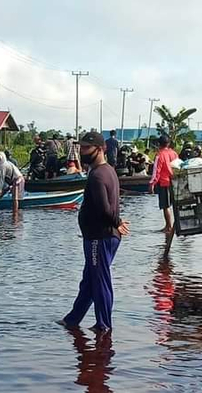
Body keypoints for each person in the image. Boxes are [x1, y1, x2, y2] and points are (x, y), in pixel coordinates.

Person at [58, 132, 130, 332]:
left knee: (100, 282)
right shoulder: (107, 171)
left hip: (101, 237)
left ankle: (104, 326)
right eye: (80, 148)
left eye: (86, 149)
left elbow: (105, 208)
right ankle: (73, 319)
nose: (82, 152)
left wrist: (117, 222)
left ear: (100, 149)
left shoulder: (98, 175)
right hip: (98, 235)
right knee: (89, 280)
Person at [149, 135, 179, 233]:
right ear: (168, 143)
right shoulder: (174, 153)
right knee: (173, 204)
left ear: (159, 144)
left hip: (164, 182)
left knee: (165, 206)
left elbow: (156, 171)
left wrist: (152, 184)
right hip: (174, 182)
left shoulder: (159, 155)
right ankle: (172, 225)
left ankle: (168, 226)